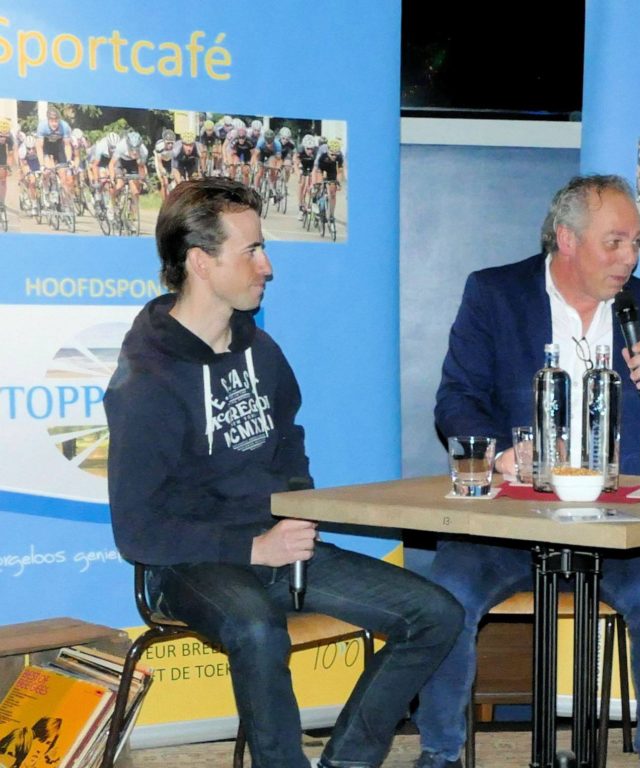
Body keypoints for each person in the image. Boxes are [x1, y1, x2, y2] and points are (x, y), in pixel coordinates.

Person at [105, 178, 462, 768]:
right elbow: (137, 533)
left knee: (436, 615)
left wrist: (296, 504)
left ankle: (346, 761)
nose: (267, 266)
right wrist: (253, 548)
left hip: (276, 546)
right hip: (188, 563)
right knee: (257, 628)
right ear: (200, 262)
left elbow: (288, 440)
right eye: (251, 251)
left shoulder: (260, 350)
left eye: (263, 248)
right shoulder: (147, 383)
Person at [417, 174, 640, 768]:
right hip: (506, 522)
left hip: (614, 526)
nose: (630, 258)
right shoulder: (495, 293)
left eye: (636, 242)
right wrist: (502, 455)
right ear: (567, 239)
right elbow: (456, 399)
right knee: (447, 598)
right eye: (614, 242)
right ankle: (439, 753)